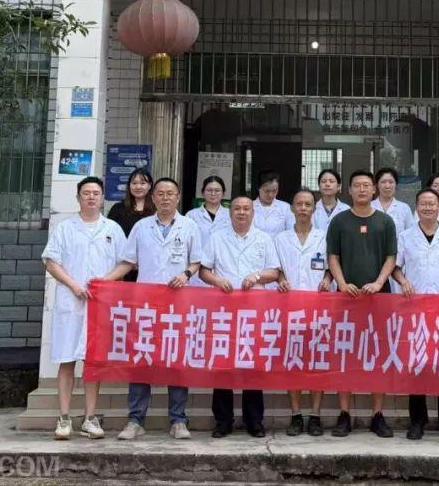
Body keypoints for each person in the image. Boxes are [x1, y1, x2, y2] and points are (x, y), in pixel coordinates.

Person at [106, 177, 202, 442]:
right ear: (153, 197)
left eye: (170, 193)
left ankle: (178, 420)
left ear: (178, 197)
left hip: (178, 304)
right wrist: (104, 281)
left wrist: (185, 274)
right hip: (146, 305)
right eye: (160, 193)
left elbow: (197, 261)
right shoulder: (141, 226)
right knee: (142, 360)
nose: (165, 198)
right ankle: (136, 420)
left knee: (177, 360)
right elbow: (128, 262)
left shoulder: (190, 226)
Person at [41, 176, 126, 441]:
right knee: (66, 360)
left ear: (102, 198)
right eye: (86, 193)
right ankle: (64, 417)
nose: (91, 197)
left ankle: (90, 418)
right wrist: (74, 285)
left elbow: (126, 263)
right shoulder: (65, 228)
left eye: (96, 193)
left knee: (92, 362)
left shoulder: (112, 228)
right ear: (78, 197)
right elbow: (51, 262)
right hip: (71, 301)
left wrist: (104, 283)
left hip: (99, 304)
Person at [200, 196, 282, 438]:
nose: (242, 212)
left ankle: (254, 420)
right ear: (230, 212)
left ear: (253, 212)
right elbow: (204, 270)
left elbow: (275, 271)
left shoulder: (264, 239)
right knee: (223, 363)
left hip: (254, 310)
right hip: (224, 309)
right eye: (237, 208)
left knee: (252, 363)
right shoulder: (217, 238)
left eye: (246, 208)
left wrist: (256, 276)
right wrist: (218, 281)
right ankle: (223, 420)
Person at [392, 188, 439, 442]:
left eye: (432, 204)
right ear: (417, 208)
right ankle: (417, 420)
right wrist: (403, 282)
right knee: (417, 363)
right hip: (415, 310)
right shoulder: (405, 236)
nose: (427, 207)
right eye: (423, 204)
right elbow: (395, 268)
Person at [325, 170, 397, 439]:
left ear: (374, 190)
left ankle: (377, 414)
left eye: (367, 185)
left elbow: (391, 257)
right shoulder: (339, 221)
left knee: (379, 355)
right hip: (346, 299)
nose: (362, 189)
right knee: (346, 356)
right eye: (357, 185)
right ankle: (344, 414)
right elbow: (333, 256)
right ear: (349, 191)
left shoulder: (385, 221)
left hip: (379, 298)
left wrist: (379, 283)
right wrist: (342, 283)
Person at [275, 188, 332, 436]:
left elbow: (332, 266)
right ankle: (296, 415)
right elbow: (276, 268)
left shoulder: (324, 237)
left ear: (314, 209)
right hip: (290, 308)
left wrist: (328, 279)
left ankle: (315, 415)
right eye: (299, 204)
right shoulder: (281, 238)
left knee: (317, 362)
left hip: (319, 308)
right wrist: (280, 279)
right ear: (292, 208)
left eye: (308, 204)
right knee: (294, 361)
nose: (303, 209)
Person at [107, 167, 153, 282]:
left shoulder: (156, 210)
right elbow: (109, 237)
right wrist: (128, 261)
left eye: (142, 183)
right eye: (134, 183)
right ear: (129, 186)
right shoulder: (118, 209)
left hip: (149, 266)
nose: (138, 187)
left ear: (150, 186)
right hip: (121, 266)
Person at [183, 175, 231, 286]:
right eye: (209, 190)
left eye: (217, 190)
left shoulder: (230, 215)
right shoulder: (191, 215)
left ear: (224, 193)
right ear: (203, 192)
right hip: (197, 268)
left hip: (223, 266)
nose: (213, 193)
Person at [374, 167, 414, 238]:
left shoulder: (404, 208)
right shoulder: (370, 206)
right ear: (377, 185)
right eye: (383, 182)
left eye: (391, 182)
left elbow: (410, 234)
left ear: (396, 184)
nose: (387, 186)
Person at [253, 170, 291, 236]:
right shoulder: (249, 206)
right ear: (258, 188)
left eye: (274, 191)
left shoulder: (285, 207)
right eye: (266, 191)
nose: (270, 195)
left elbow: (290, 231)